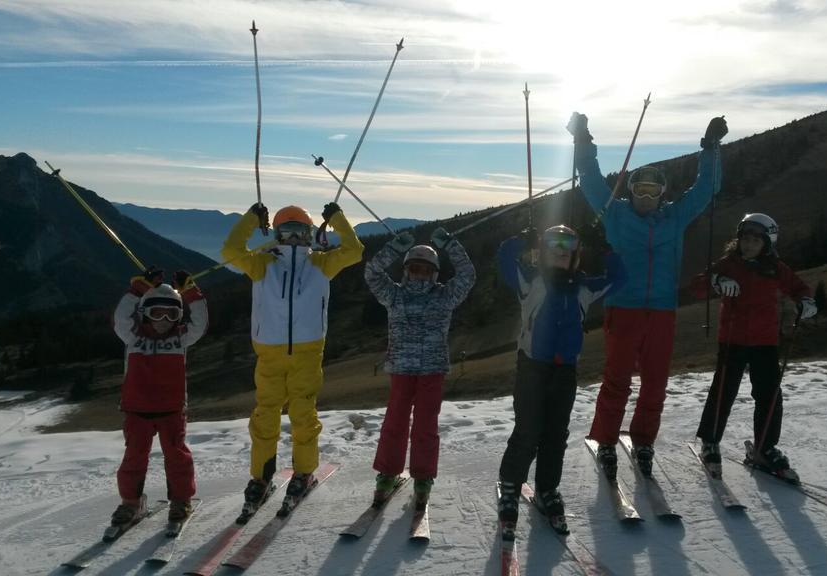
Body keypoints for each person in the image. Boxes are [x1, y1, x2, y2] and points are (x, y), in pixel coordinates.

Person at [566, 112, 727, 480]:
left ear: (662, 194)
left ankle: (643, 441)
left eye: (653, 191)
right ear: (631, 191)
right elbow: (589, 180)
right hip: (623, 309)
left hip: (661, 312)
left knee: (656, 382)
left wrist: (711, 148)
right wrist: (583, 140)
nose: (646, 197)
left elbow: (706, 189)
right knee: (617, 379)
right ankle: (606, 441)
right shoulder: (615, 215)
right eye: (640, 189)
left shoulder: (675, 217)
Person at [221, 202, 363, 518]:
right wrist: (250, 220)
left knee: (303, 414)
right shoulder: (262, 264)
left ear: (311, 234)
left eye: (302, 231)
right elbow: (230, 250)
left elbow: (354, 251)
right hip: (270, 351)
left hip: (307, 351)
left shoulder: (322, 264)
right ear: (278, 234)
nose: (295, 238)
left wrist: (337, 220)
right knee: (265, 415)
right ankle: (261, 476)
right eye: (288, 231)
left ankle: (304, 472)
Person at [496, 225, 626, 533]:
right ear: (541, 253)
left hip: (565, 371)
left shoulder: (583, 288)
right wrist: (522, 239)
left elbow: (619, 279)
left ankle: (547, 489)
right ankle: (511, 485)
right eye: (552, 249)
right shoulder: (530, 280)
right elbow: (504, 258)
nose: (560, 254)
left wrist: (606, 251)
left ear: (575, 258)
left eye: (566, 251)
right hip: (532, 367)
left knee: (556, 434)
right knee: (527, 430)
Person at [691, 213, 816, 480]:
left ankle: (765, 448)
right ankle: (710, 442)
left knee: (769, 394)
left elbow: (798, 287)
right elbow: (699, 286)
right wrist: (718, 281)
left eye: (754, 241)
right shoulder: (729, 264)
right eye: (744, 239)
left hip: (765, 341)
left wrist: (806, 301)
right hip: (733, 338)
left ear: (767, 243)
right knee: (723, 391)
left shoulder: (775, 268)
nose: (748, 245)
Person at [364, 227, 476, 508]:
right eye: (413, 268)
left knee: (426, 426)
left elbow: (467, 276)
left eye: (425, 270)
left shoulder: (445, 296)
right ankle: (387, 474)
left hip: (432, 371)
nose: (419, 274)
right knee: (395, 423)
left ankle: (423, 478)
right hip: (401, 370)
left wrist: (450, 244)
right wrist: (392, 248)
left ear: (435, 273)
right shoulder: (394, 295)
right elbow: (372, 273)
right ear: (405, 270)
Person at [111, 268, 208, 528]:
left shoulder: (180, 338)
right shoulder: (134, 335)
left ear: (179, 317)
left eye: (171, 313)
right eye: (156, 313)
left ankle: (180, 499)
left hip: (172, 409)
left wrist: (190, 293)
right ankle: (130, 502)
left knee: (177, 456)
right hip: (137, 409)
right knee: (134, 456)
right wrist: (137, 290)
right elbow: (120, 318)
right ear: (144, 313)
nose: (163, 320)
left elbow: (200, 323)